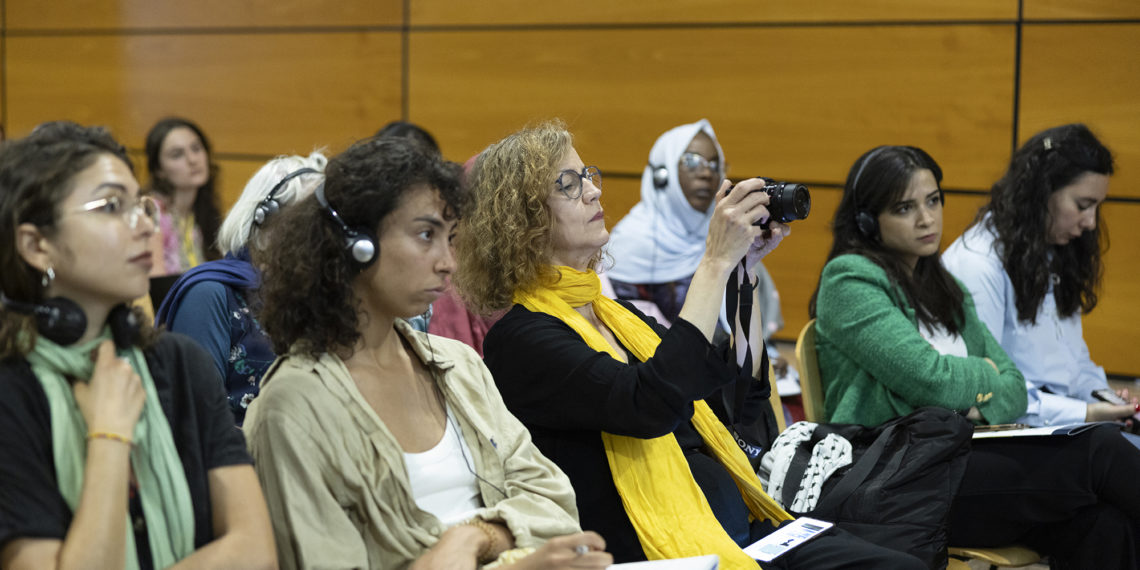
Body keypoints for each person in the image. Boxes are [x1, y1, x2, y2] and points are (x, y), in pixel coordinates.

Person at [457, 120, 924, 569]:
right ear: (522, 220)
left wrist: (745, 269)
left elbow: (740, 401)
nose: (594, 189)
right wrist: (715, 261)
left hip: (738, 529)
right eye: (568, 183)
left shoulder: (614, 316)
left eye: (587, 175)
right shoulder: (521, 339)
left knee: (904, 560)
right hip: (662, 551)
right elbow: (649, 404)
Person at [243, 136, 609, 570]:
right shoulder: (293, 405)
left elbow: (556, 502)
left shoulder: (458, 364)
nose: (448, 263)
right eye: (425, 235)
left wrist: (475, 538)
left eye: (450, 238)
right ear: (355, 244)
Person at [810, 144, 1140, 568]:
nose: (927, 219)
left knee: (1107, 523)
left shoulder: (943, 286)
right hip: (905, 480)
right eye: (905, 208)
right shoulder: (850, 281)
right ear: (868, 220)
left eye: (932, 201)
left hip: (965, 460)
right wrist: (980, 378)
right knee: (1098, 447)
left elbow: (1014, 386)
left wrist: (966, 394)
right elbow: (931, 380)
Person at [0, 123, 275, 568]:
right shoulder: (12, 389)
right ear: (36, 244)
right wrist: (109, 436)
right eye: (111, 206)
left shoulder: (178, 362)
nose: (145, 226)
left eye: (140, 207)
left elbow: (256, 551)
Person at [942, 124, 1138, 427]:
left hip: (1060, 421)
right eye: (1083, 205)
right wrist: (1086, 413)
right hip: (1011, 434)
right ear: (1040, 193)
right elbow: (987, 390)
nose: (1090, 222)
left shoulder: (1051, 248)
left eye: (1097, 207)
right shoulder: (977, 263)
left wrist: (1102, 397)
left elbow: (1072, 362)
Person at [154, 152, 326, 424]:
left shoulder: (321, 295)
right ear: (265, 218)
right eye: (311, 219)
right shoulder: (209, 293)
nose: (325, 234)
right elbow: (198, 420)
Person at [145, 117, 223, 276]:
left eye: (196, 148)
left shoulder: (203, 213)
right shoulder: (151, 213)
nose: (192, 160)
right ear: (159, 170)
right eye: (177, 154)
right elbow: (155, 284)